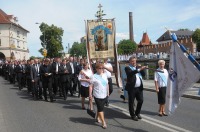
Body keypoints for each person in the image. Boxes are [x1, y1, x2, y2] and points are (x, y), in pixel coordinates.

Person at [125, 56, 146, 121]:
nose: (134, 62)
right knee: (131, 102)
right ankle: (133, 115)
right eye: (132, 61)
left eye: (135, 61)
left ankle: (137, 112)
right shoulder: (127, 68)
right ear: (130, 62)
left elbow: (144, 74)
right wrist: (139, 69)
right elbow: (131, 73)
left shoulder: (137, 67)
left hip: (139, 88)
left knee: (141, 100)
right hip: (132, 88)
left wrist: (141, 69)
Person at [89, 63, 109, 129]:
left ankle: (97, 117)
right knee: (100, 109)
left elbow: (107, 84)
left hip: (104, 94)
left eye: (102, 68)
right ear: (96, 69)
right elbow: (91, 86)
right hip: (97, 94)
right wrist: (90, 94)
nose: (101, 69)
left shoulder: (105, 75)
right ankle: (103, 122)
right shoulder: (93, 76)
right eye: (100, 68)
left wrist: (108, 92)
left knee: (100, 108)